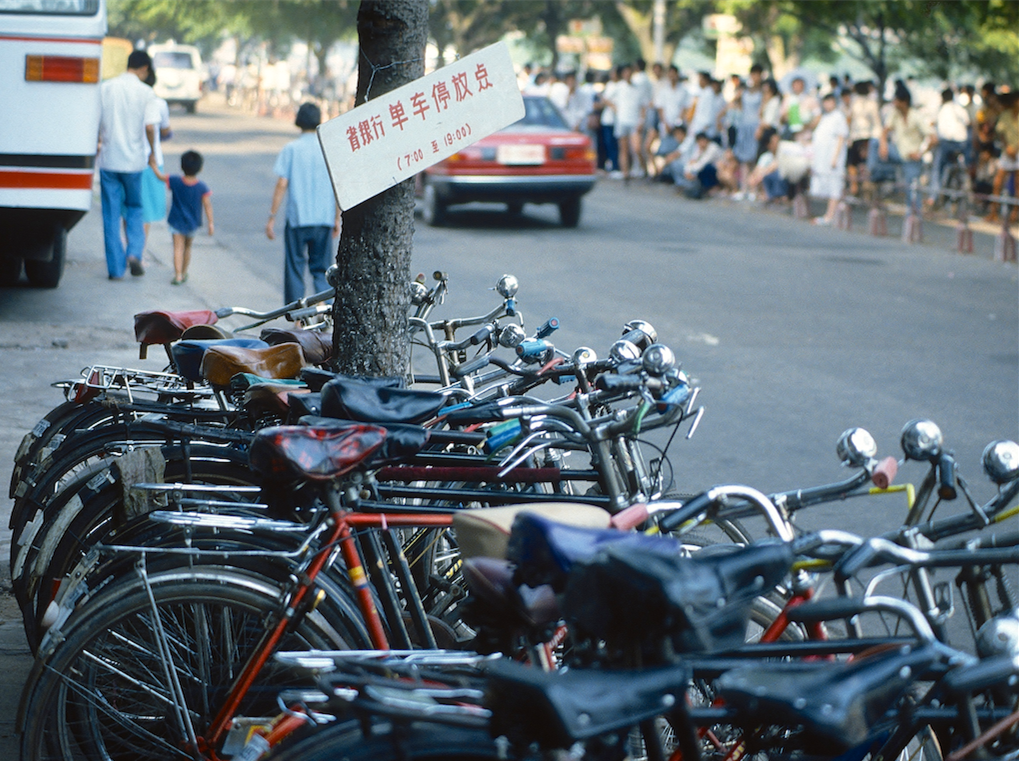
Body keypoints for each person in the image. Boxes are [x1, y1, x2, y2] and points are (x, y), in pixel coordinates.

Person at [267, 102, 341, 304]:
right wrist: (336, 218)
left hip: (298, 218)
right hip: (323, 219)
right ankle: (323, 311)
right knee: (322, 269)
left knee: (294, 267)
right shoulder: (327, 148)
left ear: (298, 120)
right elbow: (337, 185)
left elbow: (282, 183)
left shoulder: (291, 149)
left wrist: (272, 216)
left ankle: (298, 316)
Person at [97, 49, 161, 280]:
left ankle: (115, 269)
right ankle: (134, 253)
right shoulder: (147, 93)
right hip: (134, 162)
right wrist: (152, 153)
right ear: (144, 68)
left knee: (111, 215)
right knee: (134, 208)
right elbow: (151, 127)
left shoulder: (106, 88)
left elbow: (95, 122)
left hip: (108, 160)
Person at [871, 85, 932, 212]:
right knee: (874, 143)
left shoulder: (916, 116)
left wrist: (921, 152)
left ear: (904, 102)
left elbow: (933, 137)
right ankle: (875, 175)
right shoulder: (894, 113)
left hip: (911, 157)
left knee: (913, 190)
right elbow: (885, 131)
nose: (894, 103)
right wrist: (883, 145)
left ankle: (914, 216)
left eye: (897, 100)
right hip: (898, 152)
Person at [166, 150, 213, 285]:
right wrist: (210, 223)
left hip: (175, 221)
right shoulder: (202, 187)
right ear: (201, 168)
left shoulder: (175, 181)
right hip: (192, 223)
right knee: (187, 248)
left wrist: (153, 166)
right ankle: (184, 271)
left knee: (177, 248)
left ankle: (178, 275)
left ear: (182, 166)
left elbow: (161, 177)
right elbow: (207, 206)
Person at [141, 67, 171, 253]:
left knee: (129, 211)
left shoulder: (130, 101)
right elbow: (162, 130)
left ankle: (130, 249)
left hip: (127, 159)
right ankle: (138, 253)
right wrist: (152, 151)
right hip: (151, 162)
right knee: (145, 213)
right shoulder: (159, 103)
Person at [809, 93, 849, 225]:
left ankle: (830, 215)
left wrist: (835, 158)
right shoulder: (825, 117)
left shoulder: (839, 117)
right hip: (822, 158)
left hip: (833, 158)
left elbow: (841, 137)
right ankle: (829, 214)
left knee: (834, 186)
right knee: (826, 185)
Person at [930, 87, 971, 205]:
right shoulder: (959, 108)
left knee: (938, 169)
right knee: (964, 165)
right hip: (962, 144)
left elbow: (934, 124)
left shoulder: (942, 110)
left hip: (947, 143)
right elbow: (967, 123)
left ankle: (934, 197)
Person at [846, 81, 881, 197]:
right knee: (863, 164)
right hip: (866, 137)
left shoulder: (855, 103)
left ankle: (855, 185)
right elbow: (877, 122)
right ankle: (861, 185)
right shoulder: (870, 103)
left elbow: (850, 120)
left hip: (860, 137)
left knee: (853, 163)